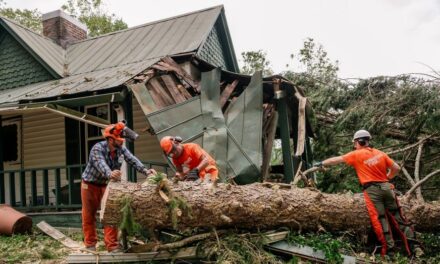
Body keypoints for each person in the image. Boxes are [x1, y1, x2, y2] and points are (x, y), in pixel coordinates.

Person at [314, 129, 421, 257]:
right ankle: (416, 247)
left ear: (358, 142)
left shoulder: (356, 154)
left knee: (381, 220)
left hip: (372, 191)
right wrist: (387, 177)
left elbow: (336, 160)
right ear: (367, 141)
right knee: (400, 219)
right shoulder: (380, 153)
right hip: (387, 188)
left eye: (355, 143)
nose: (354, 145)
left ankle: (390, 252)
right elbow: (396, 168)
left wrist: (321, 163)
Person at [81, 121, 156, 253]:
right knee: (89, 214)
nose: (122, 143)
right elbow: (101, 164)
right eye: (118, 140)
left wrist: (146, 171)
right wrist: (110, 173)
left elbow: (132, 159)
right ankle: (90, 244)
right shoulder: (97, 148)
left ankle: (112, 245)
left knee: (111, 213)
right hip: (89, 185)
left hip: (107, 184)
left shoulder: (121, 149)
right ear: (110, 139)